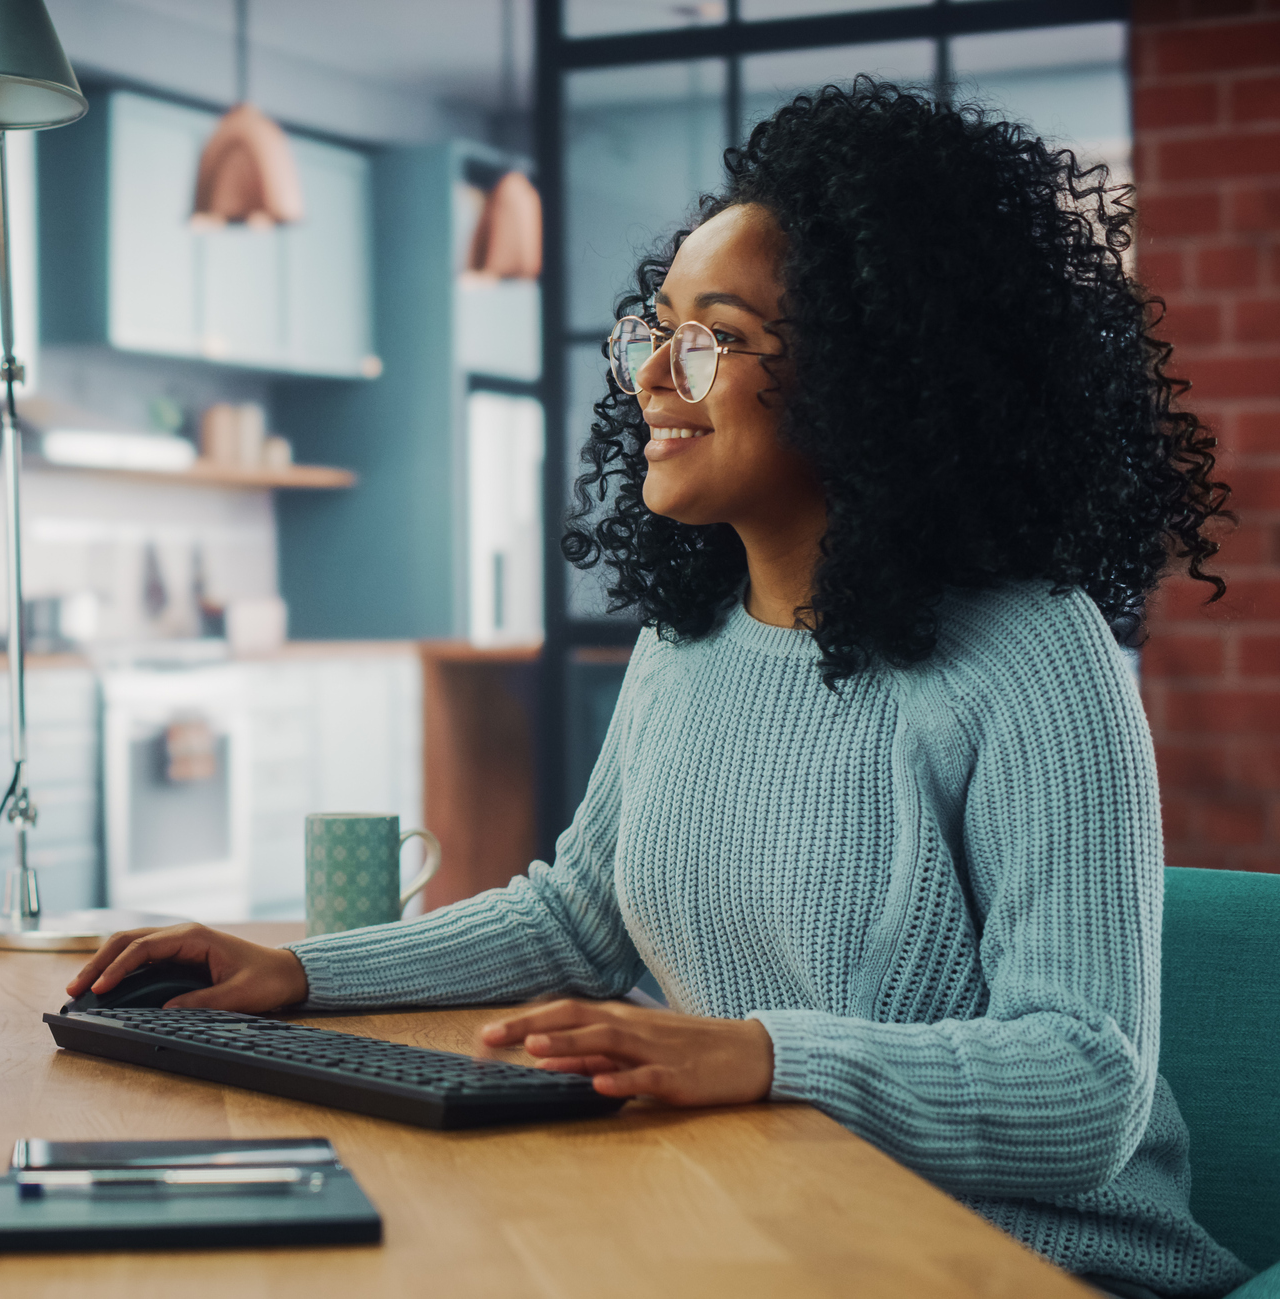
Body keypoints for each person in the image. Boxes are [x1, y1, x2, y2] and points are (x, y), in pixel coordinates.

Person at [67, 80, 1247, 1299]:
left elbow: (1083, 1086)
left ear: (869, 373)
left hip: (1024, 1266)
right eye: (651, 330)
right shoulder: (688, 638)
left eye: (710, 338)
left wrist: (754, 1055)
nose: (649, 379)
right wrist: (301, 972)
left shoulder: (1027, 657)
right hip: (776, 1221)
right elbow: (579, 917)